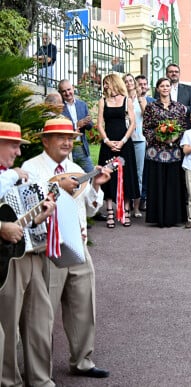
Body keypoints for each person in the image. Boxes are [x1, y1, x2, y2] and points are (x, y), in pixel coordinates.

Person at [22, 118, 111, 380]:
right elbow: (28, 207)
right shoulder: (31, 167)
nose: (67, 142)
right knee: (42, 314)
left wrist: (95, 186)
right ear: (45, 141)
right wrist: (55, 188)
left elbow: (90, 209)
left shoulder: (74, 167)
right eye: (61, 137)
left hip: (78, 245)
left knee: (84, 306)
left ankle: (82, 361)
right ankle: (39, 375)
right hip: (46, 249)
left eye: (71, 137)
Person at [0, 122, 56, 387]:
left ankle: (41, 380)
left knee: (40, 320)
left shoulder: (11, 174)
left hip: (29, 252)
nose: (18, 152)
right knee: (8, 325)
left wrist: (38, 218)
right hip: (8, 262)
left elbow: (16, 219)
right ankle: (9, 382)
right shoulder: (9, 176)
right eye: (14, 145)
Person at [143, 77, 188, 227]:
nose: (165, 88)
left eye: (167, 86)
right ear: (157, 89)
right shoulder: (151, 107)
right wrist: (159, 137)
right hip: (156, 152)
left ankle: (174, 218)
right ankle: (159, 218)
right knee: (158, 184)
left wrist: (175, 137)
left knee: (173, 185)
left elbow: (183, 127)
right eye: (162, 86)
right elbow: (146, 128)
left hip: (174, 152)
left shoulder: (179, 107)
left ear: (171, 88)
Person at [96, 73, 140, 228]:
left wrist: (122, 141)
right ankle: (109, 211)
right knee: (107, 175)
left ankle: (125, 211)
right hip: (108, 143)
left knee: (126, 177)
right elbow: (99, 124)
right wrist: (107, 141)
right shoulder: (102, 101)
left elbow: (133, 123)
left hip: (124, 143)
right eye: (104, 84)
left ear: (114, 83)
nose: (105, 86)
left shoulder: (127, 100)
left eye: (107, 83)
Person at [124, 73, 148, 218]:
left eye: (131, 81)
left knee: (139, 174)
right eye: (126, 81)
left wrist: (139, 99)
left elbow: (147, 115)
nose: (129, 83)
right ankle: (126, 205)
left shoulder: (142, 99)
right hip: (126, 139)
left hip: (139, 139)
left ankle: (137, 207)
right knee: (127, 173)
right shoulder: (122, 99)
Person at [58, 79, 95, 173]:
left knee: (91, 176)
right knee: (69, 178)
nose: (67, 93)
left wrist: (88, 122)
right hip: (65, 149)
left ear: (73, 88)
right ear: (60, 93)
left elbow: (90, 127)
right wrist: (76, 125)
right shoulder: (59, 107)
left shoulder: (82, 105)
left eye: (69, 89)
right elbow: (58, 128)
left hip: (81, 148)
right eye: (64, 91)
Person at [135, 74, 155, 212]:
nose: (142, 86)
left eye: (144, 84)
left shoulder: (152, 101)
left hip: (149, 140)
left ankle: (144, 199)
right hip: (135, 139)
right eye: (140, 84)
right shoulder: (130, 100)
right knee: (137, 172)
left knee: (147, 173)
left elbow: (151, 119)